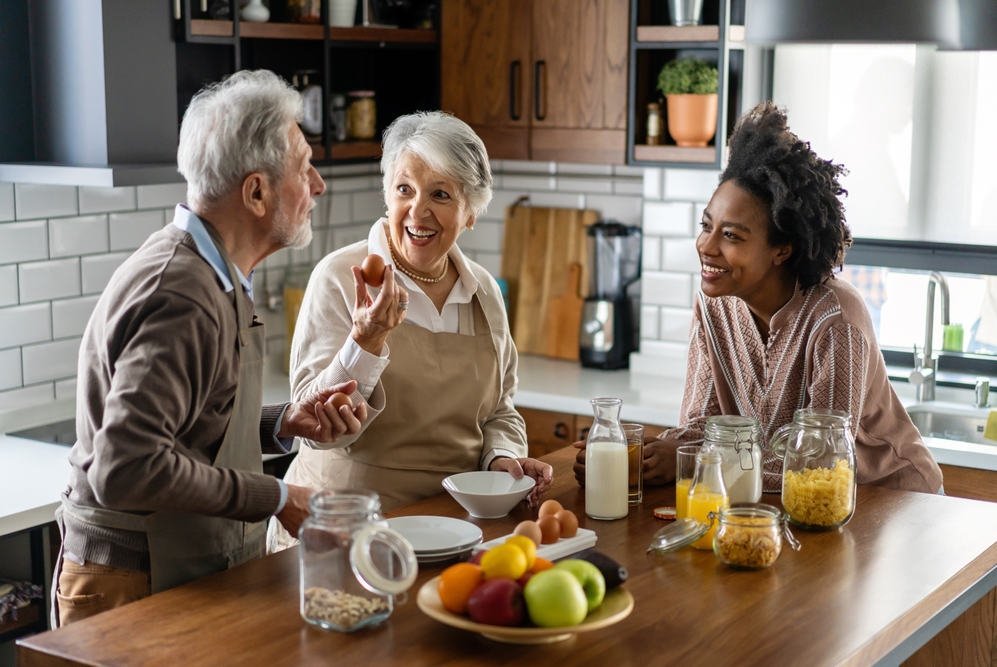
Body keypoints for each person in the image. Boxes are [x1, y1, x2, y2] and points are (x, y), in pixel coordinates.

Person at [53, 70, 367, 628]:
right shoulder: (184, 293)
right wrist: (277, 497)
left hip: (177, 572)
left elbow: (189, 424)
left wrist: (282, 422)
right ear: (256, 192)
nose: (318, 185)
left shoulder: (214, 274)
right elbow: (126, 467)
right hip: (133, 585)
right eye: (303, 167)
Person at [574, 102, 943, 495]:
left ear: (781, 249)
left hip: (891, 499)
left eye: (731, 235)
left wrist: (693, 463)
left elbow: (822, 461)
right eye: (706, 226)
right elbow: (702, 425)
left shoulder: (836, 319)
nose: (706, 246)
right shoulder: (714, 301)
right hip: (789, 502)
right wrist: (641, 456)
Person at [268, 111, 553, 551]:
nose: (417, 212)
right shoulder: (340, 278)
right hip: (344, 530)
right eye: (404, 189)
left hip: (451, 528)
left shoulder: (484, 294)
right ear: (387, 195)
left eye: (440, 194)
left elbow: (500, 409)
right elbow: (315, 428)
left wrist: (502, 458)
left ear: (472, 212)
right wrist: (366, 340)